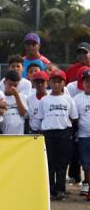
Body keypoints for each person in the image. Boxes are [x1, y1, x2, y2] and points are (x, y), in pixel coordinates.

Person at [39, 69, 78, 200]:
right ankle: (50, 190)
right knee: (49, 163)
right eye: (53, 81)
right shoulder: (44, 100)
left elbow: (73, 117)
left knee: (62, 163)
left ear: (63, 83)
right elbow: (41, 117)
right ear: (49, 82)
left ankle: (61, 189)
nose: (56, 84)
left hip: (64, 133)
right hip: (48, 133)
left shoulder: (68, 99)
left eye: (59, 82)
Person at [73, 66, 90, 200]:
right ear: (82, 83)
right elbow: (75, 118)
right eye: (86, 81)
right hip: (84, 136)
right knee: (85, 163)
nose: (88, 83)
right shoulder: (78, 99)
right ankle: (87, 184)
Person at [0, 70, 27, 134]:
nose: (12, 88)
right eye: (10, 85)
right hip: (4, 133)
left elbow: (23, 113)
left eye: (15, 85)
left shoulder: (21, 96)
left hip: (19, 134)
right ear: (4, 82)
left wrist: (16, 95)